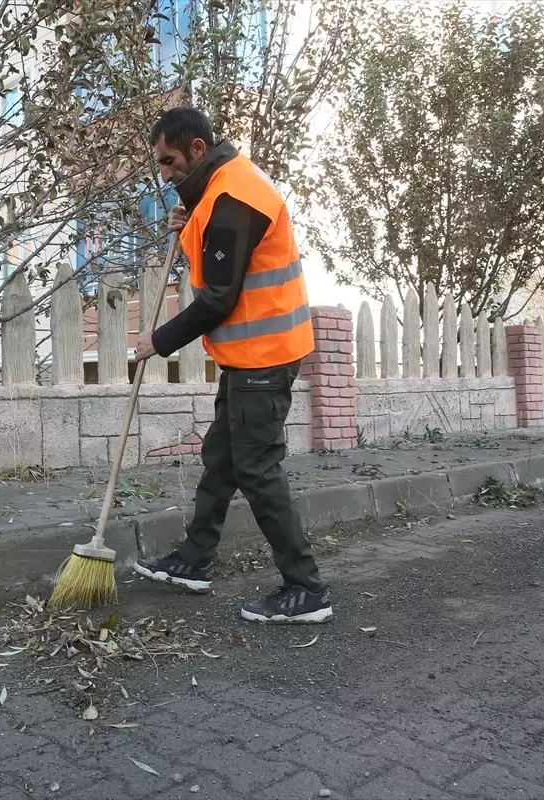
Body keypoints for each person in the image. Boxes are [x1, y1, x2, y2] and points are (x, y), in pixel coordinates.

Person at [133, 107, 332, 624]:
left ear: (197, 148)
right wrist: (186, 220)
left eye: (170, 161)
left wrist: (160, 340)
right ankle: (194, 560)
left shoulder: (233, 197)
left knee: (256, 468)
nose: (165, 173)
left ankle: (306, 587)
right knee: (221, 457)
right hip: (251, 355)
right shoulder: (221, 188)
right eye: (160, 165)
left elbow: (219, 296)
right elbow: (219, 251)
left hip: (265, 356)